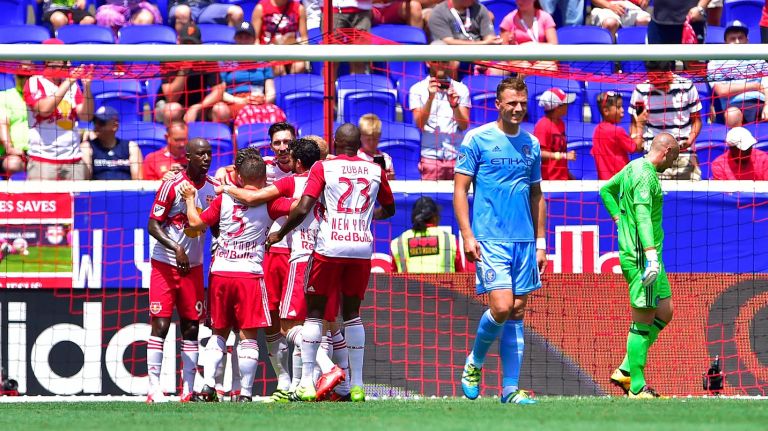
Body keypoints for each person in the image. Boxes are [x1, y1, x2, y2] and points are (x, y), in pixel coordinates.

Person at [266, 123, 396, 402]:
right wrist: (361, 219)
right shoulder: (375, 169)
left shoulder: (324, 167)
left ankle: (308, 384)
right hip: (361, 247)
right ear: (359, 142)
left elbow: (303, 207)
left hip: (329, 247)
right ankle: (356, 385)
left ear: (335, 142)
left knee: (313, 315)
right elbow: (390, 209)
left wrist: (280, 232)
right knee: (351, 315)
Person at [454, 77, 547, 405]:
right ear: (498, 104)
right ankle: (474, 362)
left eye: (522, 103)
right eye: (512, 103)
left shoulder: (531, 144)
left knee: (518, 310)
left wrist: (540, 242)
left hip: (524, 240)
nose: (518, 108)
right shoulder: (477, 139)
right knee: (502, 306)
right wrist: (467, 235)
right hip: (490, 238)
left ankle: (509, 389)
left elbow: (537, 194)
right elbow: (460, 190)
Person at [181, 147, 293, 402]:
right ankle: (244, 394)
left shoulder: (224, 199)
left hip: (220, 271)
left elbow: (196, 224)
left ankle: (207, 388)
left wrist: (189, 199)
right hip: (250, 275)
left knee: (219, 332)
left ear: (239, 178)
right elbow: (298, 207)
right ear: (265, 179)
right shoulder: (271, 201)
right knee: (248, 336)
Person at [600, 132, 680, 399]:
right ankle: (636, 386)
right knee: (643, 318)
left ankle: (625, 369)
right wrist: (651, 256)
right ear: (667, 150)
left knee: (665, 310)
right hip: (643, 258)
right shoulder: (645, 175)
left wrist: (618, 219)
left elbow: (606, 190)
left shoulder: (632, 166)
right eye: (675, 158)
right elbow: (643, 216)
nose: (672, 164)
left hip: (649, 254)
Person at [145, 138, 218, 403]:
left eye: (209, 153)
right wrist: (176, 247)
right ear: (188, 156)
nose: (206, 158)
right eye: (200, 154)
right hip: (165, 264)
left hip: (194, 267)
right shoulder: (171, 185)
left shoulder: (213, 188)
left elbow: (217, 222)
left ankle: (187, 388)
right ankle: (154, 388)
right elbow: (153, 224)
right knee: (161, 324)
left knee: (191, 328)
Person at [24, 40, 94, 181]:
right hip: (43, 160)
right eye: (64, 60)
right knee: (43, 202)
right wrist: (68, 82)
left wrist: (87, 88)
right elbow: (44, 109)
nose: (68, 64)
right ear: (49, 61)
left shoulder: (73, 86)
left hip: (73, 159)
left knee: (77, 202)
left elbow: (86, 116)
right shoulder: (34, 82)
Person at [629, 60, 702, 180]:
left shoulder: (686, 86)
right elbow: (634, 122)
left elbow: (697, 121)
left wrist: (689, 140)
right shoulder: (641, 91)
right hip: (654, 156)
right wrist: (637, 139)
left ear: (668, 72)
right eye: (653, 78)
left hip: (683, 154)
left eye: (659, 77)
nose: (656, 82)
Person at [155, 22, 228, 125]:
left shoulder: (207, 58)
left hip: (199, 105)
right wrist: (184, 69)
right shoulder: (168, 58)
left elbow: (219, 91)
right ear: (178, 42)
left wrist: (197, 107)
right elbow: (171, 97)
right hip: (170, 106)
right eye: (185, 43)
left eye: (192, 44)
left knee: (222, 110)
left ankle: (217, 140)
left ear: (200, 44)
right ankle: (172, 140)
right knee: (173, 110)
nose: (189, 47)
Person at [409, 61, 470, 180]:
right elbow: (420, 124)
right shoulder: (417, 89)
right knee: (429, 198)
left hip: (456, 156)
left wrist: (455, 106)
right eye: (436, 61)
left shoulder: (461, 89)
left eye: (444, 61)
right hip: (430, 157)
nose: (440, 65)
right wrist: (430, 98)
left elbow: (464, 125)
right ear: (428, 62)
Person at [220, 22, 286, 127]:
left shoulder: (263, 61)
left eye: (247, 37)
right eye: (240, 37)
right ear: (235, 39)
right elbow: (220, 93)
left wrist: (264, 99)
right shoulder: (227, 61)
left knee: (276, 113)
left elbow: (271, 91)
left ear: (254, 39)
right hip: (234, 101)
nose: (243, 41)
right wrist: (241, 101)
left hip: (258, 100)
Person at [707, 21, 768, 126]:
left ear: (747, 40)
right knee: (732, 114)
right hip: (734, 106)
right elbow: (722, 90)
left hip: (760, 103)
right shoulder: (716, 63)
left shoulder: (759, 60)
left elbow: (766, 86)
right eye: (732, 38)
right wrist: (755, 85)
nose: (737, 42)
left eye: (740, 38)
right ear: (725, 42)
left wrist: (767, 104)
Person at [390, 196, 472, 273]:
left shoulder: (399, 242)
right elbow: (461, 275)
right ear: (435, 217)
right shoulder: (450, 240)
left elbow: (392, 279)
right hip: (443, 288)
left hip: (408, 288)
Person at [80, 106, 143, 180]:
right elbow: (85, 181)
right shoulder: (87, 147)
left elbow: (138, 181)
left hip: (125, 190)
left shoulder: (131, 147)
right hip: (99, 190)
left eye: (101, 123)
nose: (96, 126)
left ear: (115, 126)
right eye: (95, 122)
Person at [592, 91, 643, 180]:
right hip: (621, 182)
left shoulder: (597, 131)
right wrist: (639, 124)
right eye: (618, 107)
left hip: (604, 183)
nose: (623, 110)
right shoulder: (617, 131)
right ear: (606, 111)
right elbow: (636, 147)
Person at [252, 0, 309, 75]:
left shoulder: (299, 8)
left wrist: (306, 59)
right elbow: (255, 39)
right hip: (269, 51)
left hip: (291, 50)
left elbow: (304, 37)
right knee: (279, 69)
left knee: (299, 66)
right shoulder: (261, 8)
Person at [534, 88, 576, 180]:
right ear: (557, 107)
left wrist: (569, 176)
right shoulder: (542, 125)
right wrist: (563, 156)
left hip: (562, 178)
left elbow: (559, 150)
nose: (568, 106)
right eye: (565, 104)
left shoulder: (561, 123)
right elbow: (539, 153)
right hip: (549, 180)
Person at [428, 0, 499, 46]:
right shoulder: (439, 12)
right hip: (453, 56)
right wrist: (483, 43)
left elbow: (489, 38)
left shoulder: (480, 9)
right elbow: (448, 41)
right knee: (438, 46)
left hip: (479, 55)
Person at [0, 75, 30, 178]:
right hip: (15, 153)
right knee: (11, 164)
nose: (25, 80)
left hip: (40, 153)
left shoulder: (41, 96)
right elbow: (2, 123)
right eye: (21, 76)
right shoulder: (4, 96)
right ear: (15, 76)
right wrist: (9, 148)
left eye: (28, 77)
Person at [95, 0, 162, 41]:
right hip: (111, 7)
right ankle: (114, 54)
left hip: (136, 7)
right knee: (106, 16)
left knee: (145, 18)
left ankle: (137, 49)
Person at [358, 113, 395, 180]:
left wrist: (391, 178)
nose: (371, 143)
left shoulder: (386, 158)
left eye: (375, 139)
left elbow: (391, 184)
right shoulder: (355, 158)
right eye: (368, 139)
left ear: (379, 137)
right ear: (360, 137)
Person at [169, 0, 244, 33]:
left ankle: (233, 56)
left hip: (205, 8)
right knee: (183, 12)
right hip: (181, 6)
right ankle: (181, 53)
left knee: (236, 12)